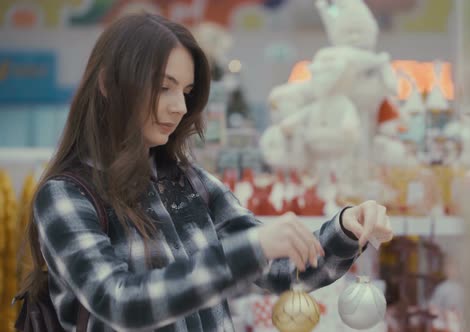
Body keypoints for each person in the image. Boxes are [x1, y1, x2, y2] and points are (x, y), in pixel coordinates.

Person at [19, 13, 393, 332]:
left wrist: (346, 227)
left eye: (186, 90)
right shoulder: (67, 196)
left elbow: (281, 272)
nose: (180, 106)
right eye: (163, 87)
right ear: (106, 83)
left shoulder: (191, 181)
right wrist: (252, 248)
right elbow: (120, 301)